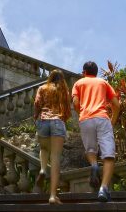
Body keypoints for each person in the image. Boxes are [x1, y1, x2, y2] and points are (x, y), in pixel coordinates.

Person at [71, 61, 120, 202]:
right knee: (108, 155)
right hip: (103, 118)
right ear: (96, 72)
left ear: (84, 72)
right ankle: (103, 188)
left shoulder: (79, 83)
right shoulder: (103, 83)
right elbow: (116, 104)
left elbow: (75, 103)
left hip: (86, 119)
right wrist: (112, 121)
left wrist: (82, 113)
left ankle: (93, 165)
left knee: (90, 150)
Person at [33, 69, 72, 204]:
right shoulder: (64, 91)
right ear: (62, 79)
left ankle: (43, 170)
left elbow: (37, 104)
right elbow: (67, 110)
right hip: (58, 120)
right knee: (55, 158)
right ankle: (53, 196)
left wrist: (35, 117)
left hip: (43, 120)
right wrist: (63, 119)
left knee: (44, 149)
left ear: (50, 77)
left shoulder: (42, 88)